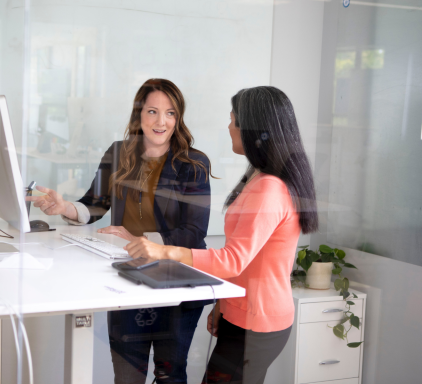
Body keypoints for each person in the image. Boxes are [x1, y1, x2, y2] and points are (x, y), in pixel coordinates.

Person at [123, 86, 319, 384]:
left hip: (256, 321)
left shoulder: (269, 187)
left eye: (233, 120)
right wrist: (222, 305)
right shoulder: (260, 176)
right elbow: (248, 256)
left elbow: (233, 260)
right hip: (241, 313)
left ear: (255, 130)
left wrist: (162, 250)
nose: (229, 127)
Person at [27, 78, 216, 384]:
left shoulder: (193, 164)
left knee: (171, 375)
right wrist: (64, 207)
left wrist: (138, 240)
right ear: (139, 115)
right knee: (127, 375)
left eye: (170, 113)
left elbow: (193, 232)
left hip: (177, 280)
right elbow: (94, 206)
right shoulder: (118, 153)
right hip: (129, 278)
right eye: (153, 111)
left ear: (178, 118)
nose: (161, 121)